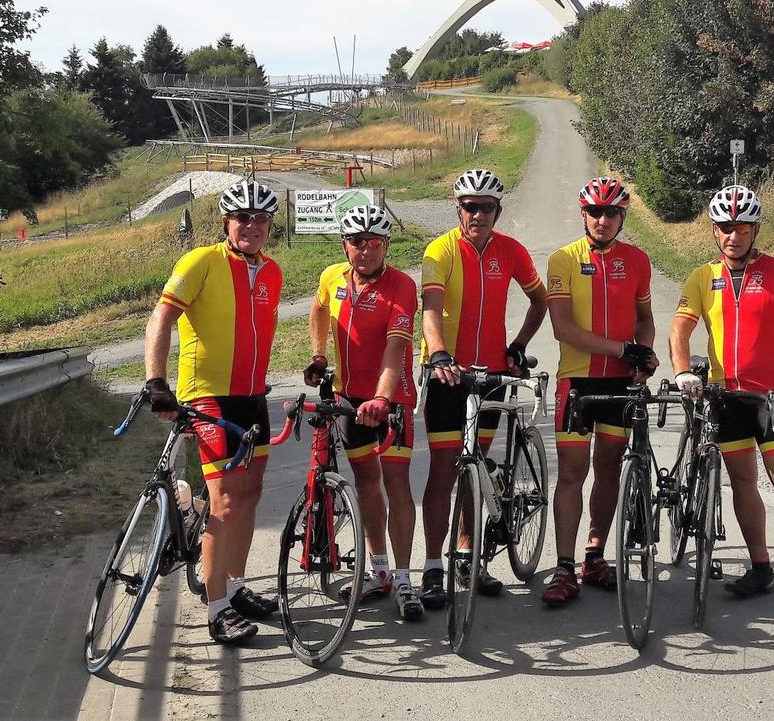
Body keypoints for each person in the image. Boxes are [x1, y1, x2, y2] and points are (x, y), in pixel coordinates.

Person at [669, 185, 774, 620]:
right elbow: (680, 329)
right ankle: (761, 567)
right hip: (726, 399)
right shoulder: (702, 278)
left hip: (772, 399)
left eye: (741, 227)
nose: (733, 236)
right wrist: (683, 369)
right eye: (725, 227)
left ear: (755, 229)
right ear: (715, 231)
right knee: (743, 483)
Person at [144, 179, 283, 644]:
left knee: (249, 495)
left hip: (252, 397)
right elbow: (161, 317)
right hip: (209, 398)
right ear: (227, 221)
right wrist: (156, 382)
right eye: (243, 217)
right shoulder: (201, 261)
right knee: (225, 500)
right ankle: (217, 607)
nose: (252, 225)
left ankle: (237, 586)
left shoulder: (273, 271)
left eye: (261, 218)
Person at [418, 168, 548, 608]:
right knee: (443, 470)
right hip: (447, 376)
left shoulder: (510, 251)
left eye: (485, 207)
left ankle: (470, 557)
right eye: (469, 207)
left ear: (497, 210)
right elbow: (431, 309)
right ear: (458, 209)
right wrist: (438, 354)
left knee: (475, 467)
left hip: (493, 376)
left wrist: (519, 345)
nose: (477, 214)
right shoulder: (440, 250)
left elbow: (540, 299)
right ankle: (433, 567)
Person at [303, 204, 424, 621]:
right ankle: (380, 570)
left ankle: (406, 579)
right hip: (349, 399)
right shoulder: (331, 278)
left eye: (374, 242)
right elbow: (318, 308)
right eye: (357, 242)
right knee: (366, 482)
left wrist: (383, 399)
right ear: (345, 245)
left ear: (387, 245)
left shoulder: (402, 286)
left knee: (396, 482)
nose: (365, 250)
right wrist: (319, 355)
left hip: (393, 400)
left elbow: (396, 349)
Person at [542, 177, 659, 606]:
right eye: (595, 212)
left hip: (621, 382)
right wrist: (621, 348)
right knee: (572, 474)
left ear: (623, 217)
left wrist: (642, 354)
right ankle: (563, 567)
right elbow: (563, 329)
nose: (603, 220)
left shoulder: (638, 260)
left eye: (611, 213)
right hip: (578, 382)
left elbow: (644, 317)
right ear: (583, 215)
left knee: (609, 468)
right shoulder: (563, 260)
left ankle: (594, 555)